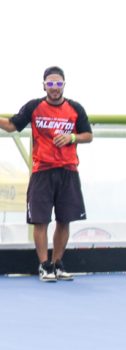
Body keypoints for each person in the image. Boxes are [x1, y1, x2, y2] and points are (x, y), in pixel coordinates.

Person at [0, 66, 92, 282]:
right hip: (42, 171)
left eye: (58, 83)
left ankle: (58, 264)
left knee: (64, 220)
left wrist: (71, 137)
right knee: (40, 221)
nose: (54, 88)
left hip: (68, 171)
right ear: (44, 85)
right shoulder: (34, 107)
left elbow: (88, 135)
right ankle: (44, 266)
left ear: (64, 85)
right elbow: (12, 126)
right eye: (50, 84)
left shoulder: (75, 108)